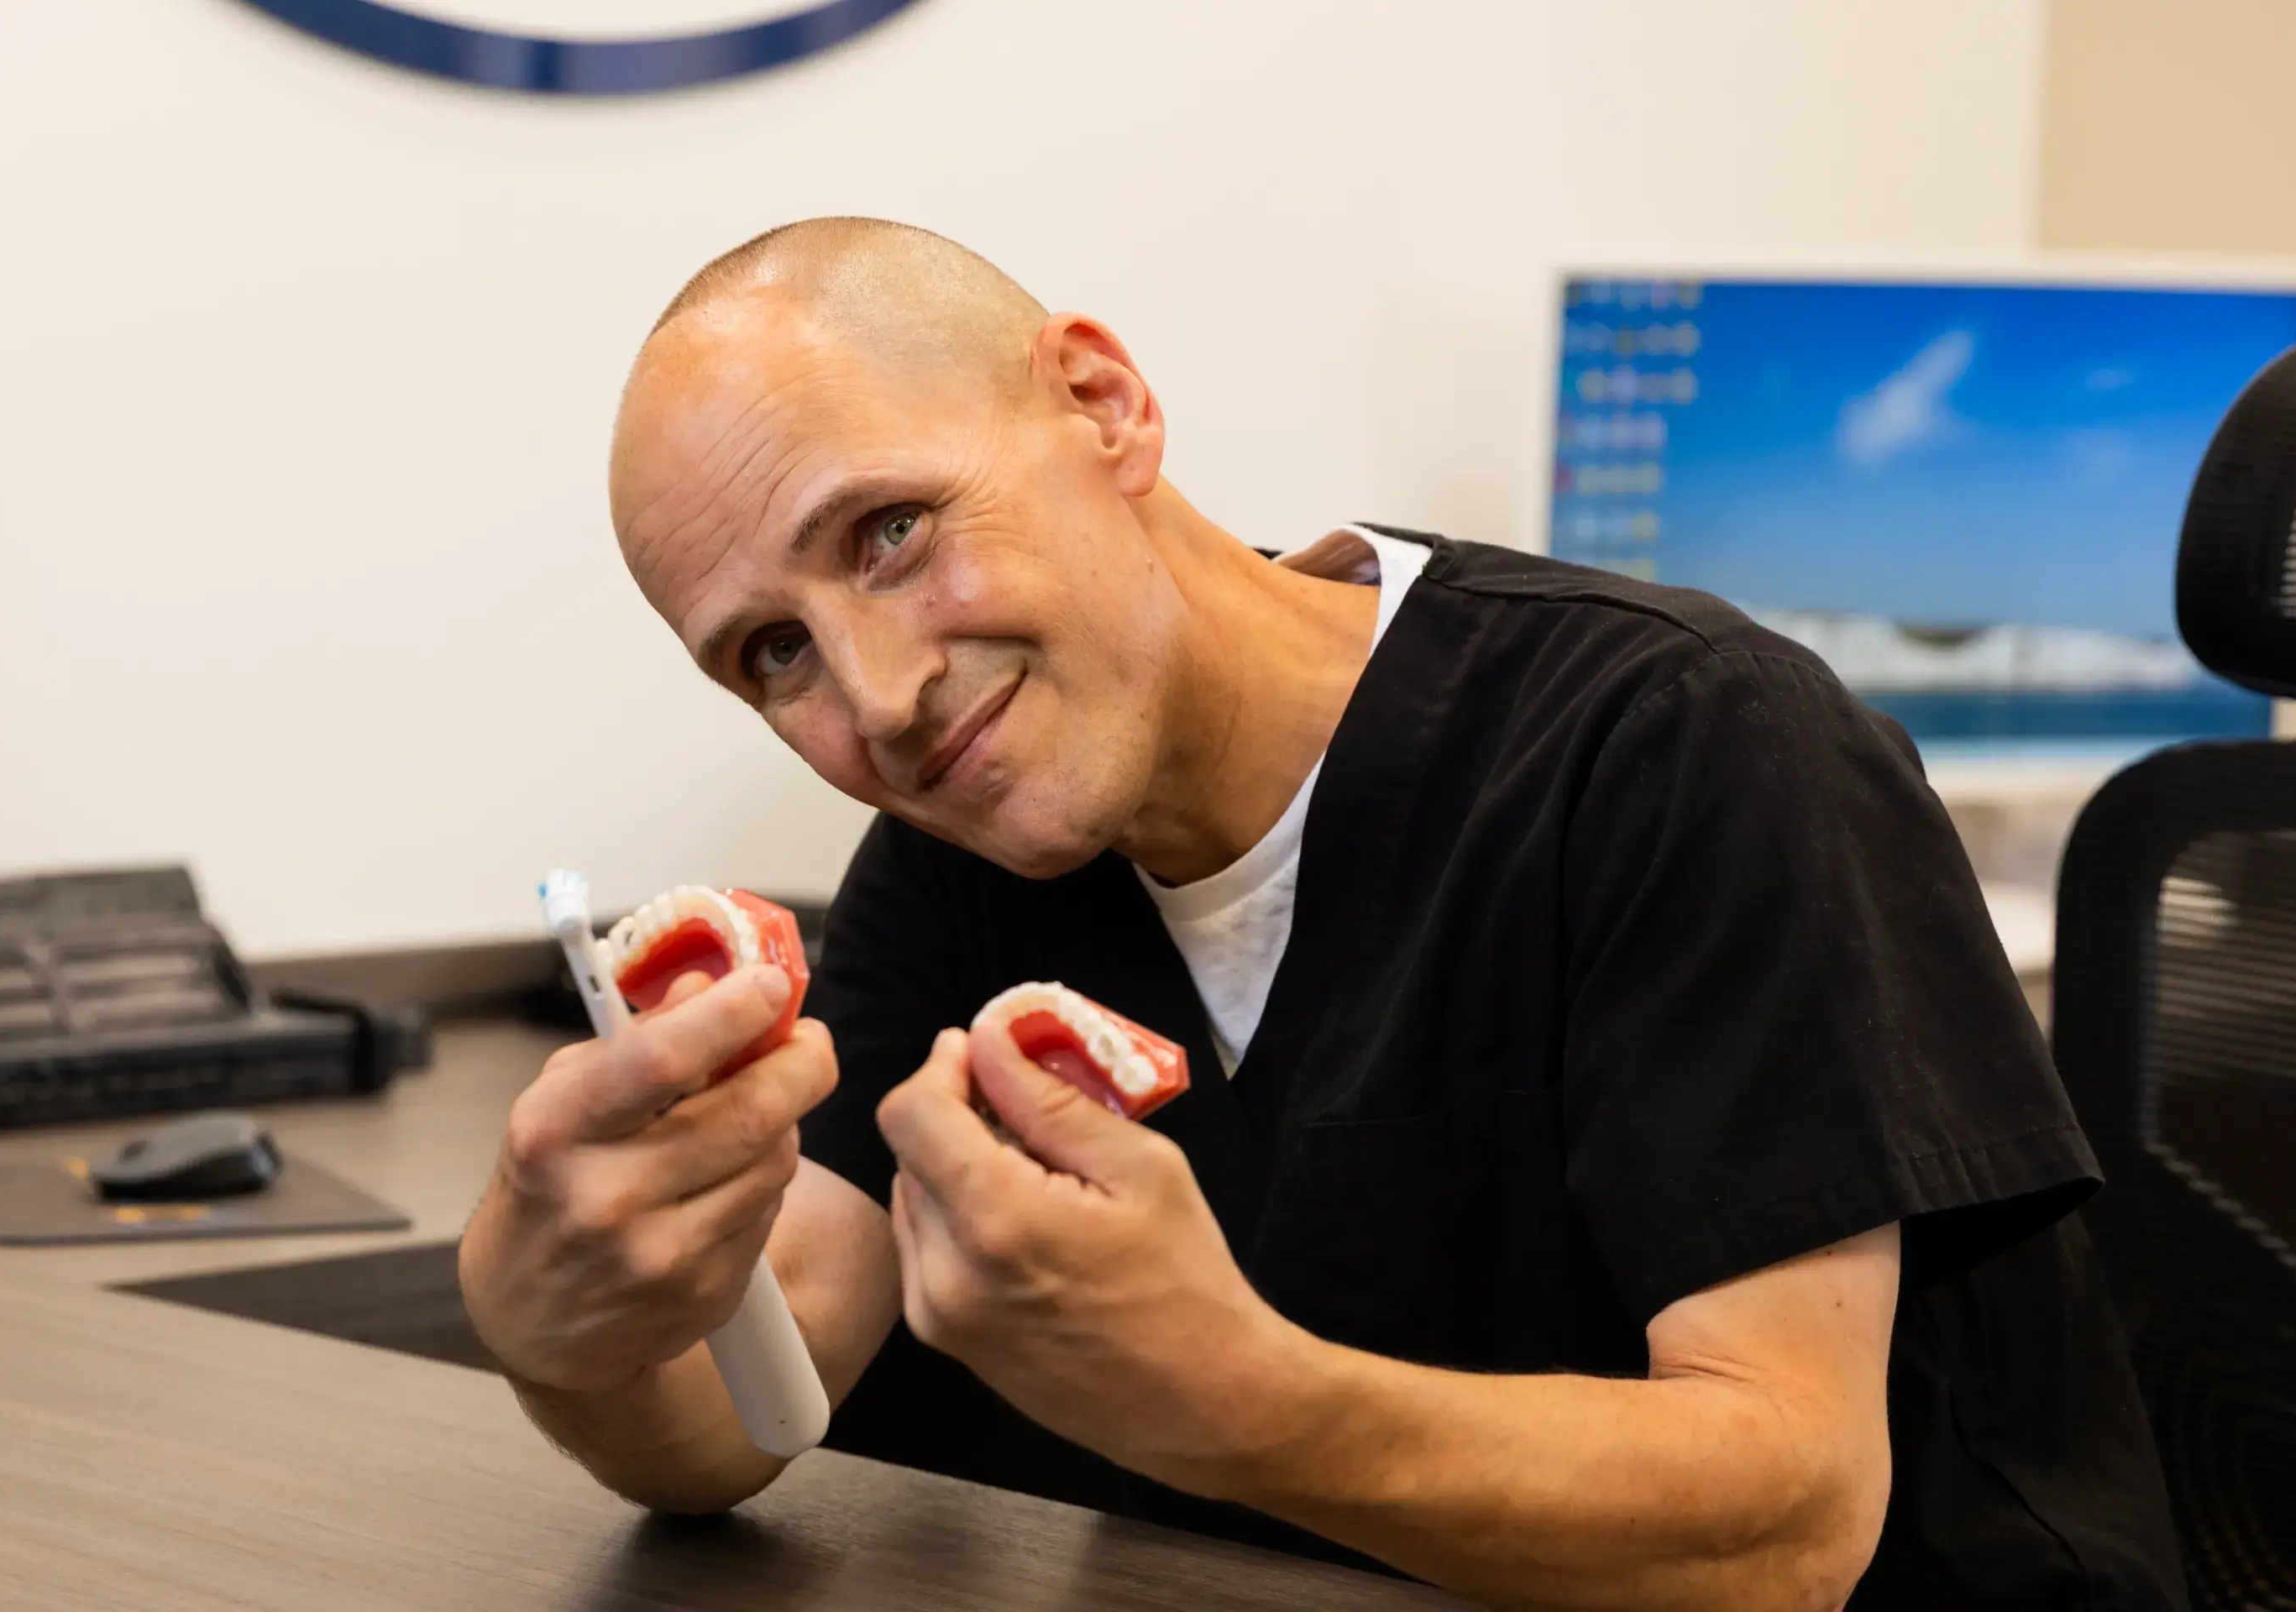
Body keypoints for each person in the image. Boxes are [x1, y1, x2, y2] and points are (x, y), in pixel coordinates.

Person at [458, 217, 2185, 1609]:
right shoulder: (977, 859)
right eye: (773, 654)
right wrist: (564, 1334)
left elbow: (1790, 1528)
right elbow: (753, 1415)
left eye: (893, 533)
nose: (883, 695)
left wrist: (1235, 1399)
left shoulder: (1679, 746)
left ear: (1101, 403)